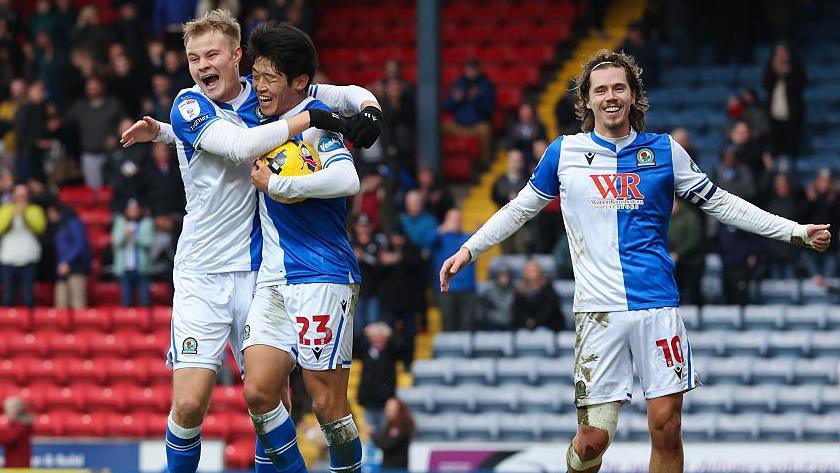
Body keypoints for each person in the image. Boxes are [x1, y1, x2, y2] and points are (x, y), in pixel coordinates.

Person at [439, 50, 831, 473]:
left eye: (619, 88)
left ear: (633, 96)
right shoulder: (564, 153)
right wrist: (469, 248)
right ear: (586, 100)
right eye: (601, 89)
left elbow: (723, 204)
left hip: (656, 306)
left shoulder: (665, 151)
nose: (610, 96)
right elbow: (519, 209)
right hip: (598, 314)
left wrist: (793, 230)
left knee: (666, 427)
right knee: (591, 443)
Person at [118, 10, 380, 473]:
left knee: (267, 396)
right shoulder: (188, 104)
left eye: (212, 54)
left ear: (237, 57)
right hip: (201, 271)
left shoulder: (263, 98)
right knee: (190, 404)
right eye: (193, 58)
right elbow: (239, 147)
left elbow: (349, 93)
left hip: (260, 270)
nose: (202, 66)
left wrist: (369, 111)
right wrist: (311, 120)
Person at [243, 23, 365, 473]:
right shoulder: (257, 120)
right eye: (255, 75)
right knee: (258, 392)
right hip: (272, 278)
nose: (259, 86)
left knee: (327, 405)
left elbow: (347, 179)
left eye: (269, 77)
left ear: (297, 82)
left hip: (322, 274)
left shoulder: (316, 119)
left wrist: (278, 184)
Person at [442, 58, 496, 167]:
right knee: (438, 128)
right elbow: (446, 106)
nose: (471, 72)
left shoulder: (486, 85)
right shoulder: (458, 83)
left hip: (476, 126)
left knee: (485, 130)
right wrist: (455, 100)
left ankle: (483, 165)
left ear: (479, 70)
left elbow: (490, 110)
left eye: (474, 69)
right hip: (457, 125)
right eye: (469, 69)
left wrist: (477, 100)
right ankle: (441, 164)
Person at [0, 184, 46, 307]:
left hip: (28, 260)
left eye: (24, 195)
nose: (21, 198)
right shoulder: (5, 209)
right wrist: (12, 214)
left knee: (28, 298)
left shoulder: (35, 210)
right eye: (19, 195)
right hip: (8, 260)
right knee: (8, 298)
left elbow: (40, 228)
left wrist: (25, 213)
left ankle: (29, 325)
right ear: (14, 196)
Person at [111, 199, 154, 307]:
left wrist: (135, 235)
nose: (132, 212)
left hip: (142, 269)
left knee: (145, 301)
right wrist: (125, 234)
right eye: (130, 209)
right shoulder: (120, 223)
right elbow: (116, 242)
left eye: (135, 209)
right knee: (126, 301)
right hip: (125, 269)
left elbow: (149, 242)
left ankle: (146, 323)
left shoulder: (146, 223)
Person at [47, 202, 91, 309]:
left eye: (51, 213)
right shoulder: (58, 228)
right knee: (60, 303)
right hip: (61, 270)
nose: (50, 216)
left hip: (76, 268)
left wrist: (67, 262)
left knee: (78, 303)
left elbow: (79, 245)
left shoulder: (73, 223)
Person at [512, 259, 563, 331]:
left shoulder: (548, 287)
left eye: (534, 271)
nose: (533, 274)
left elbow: (551, 308)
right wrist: (527, 321)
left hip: (548, 325)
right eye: (530, 271)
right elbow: (517, 310)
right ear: (524, 273)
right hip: (524, 327)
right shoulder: (519, 290)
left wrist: (536, 321)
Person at [373, 398, 414, 471]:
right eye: (387, 408)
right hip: (387, 468)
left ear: (399, 409)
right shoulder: (389, 425)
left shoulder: (403, 426)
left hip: (398, 469)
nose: (388, 411)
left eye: (391, 409)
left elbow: (387, 445)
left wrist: (373, 436)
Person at [0, 396, 33, 467]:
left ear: (14, 411)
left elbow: (6, 439)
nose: (6, 414)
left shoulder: (21, 427)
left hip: (18, 466)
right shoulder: (19, 426)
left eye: (7, 410)